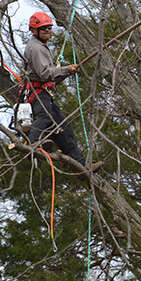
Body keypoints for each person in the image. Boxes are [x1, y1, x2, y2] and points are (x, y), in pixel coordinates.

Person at [23, 11, 103, 174]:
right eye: (43, 28)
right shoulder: (36, 48)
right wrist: (66, 69)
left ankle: (81, 167)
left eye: (49, 28)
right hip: (37, 92)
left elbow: (46, 74)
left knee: (64, 128)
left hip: (44, 91)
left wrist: (59, 77)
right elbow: (45, 73)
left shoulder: (41, 47)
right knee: (45, 117)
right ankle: (31, 144)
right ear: (33, 30)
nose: (47, 30)